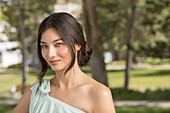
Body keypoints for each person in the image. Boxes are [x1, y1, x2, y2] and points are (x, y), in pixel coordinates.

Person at [11, 12, 116, 113]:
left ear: (77, 44)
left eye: (58, 44)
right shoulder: (35, 92)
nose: (50, 54)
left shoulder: (98, 94)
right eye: (44, 46)